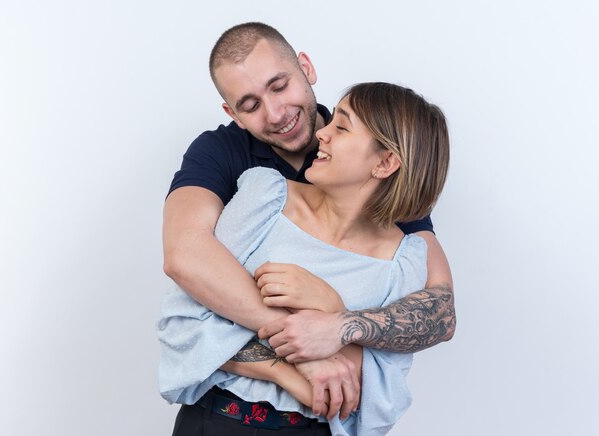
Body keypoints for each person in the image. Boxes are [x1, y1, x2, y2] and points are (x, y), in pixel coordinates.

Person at [160, 21, 456, 432]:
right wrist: (300, 354)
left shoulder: (376, 170)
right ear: (233, 114)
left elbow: (437, 309)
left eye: (279, 86)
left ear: (306, 68)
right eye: (250, 104)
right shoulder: (242, 171)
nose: (276, 114)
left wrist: (335, 316)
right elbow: (186, 263)